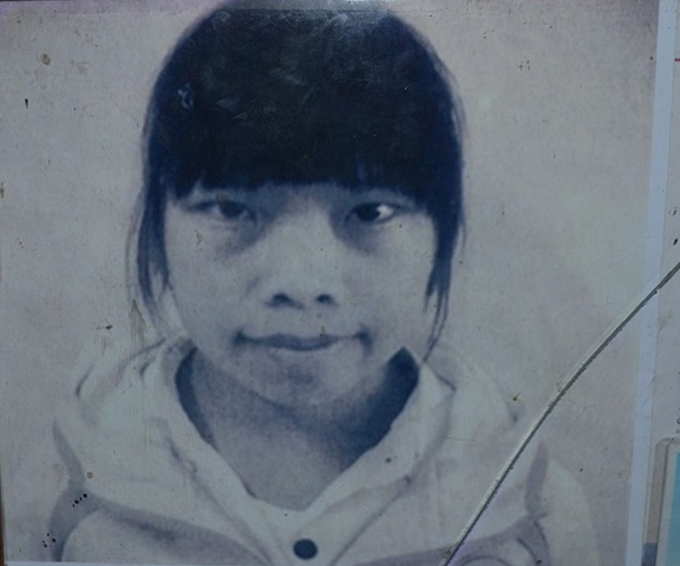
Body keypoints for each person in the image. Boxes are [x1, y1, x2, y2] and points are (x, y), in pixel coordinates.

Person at [50, 2, 599, 564]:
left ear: (441, 232)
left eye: (370, 212)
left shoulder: (533, 514)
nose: (302, 282)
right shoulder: (60, 492)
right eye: (231, 208)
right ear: (156, 230)